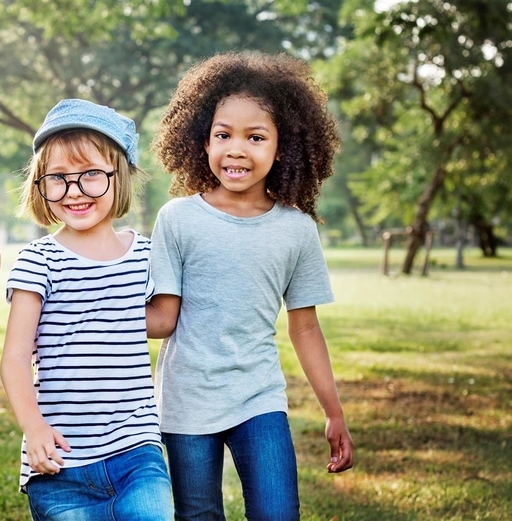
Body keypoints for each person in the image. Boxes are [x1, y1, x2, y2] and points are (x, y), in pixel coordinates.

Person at [149, 51, 355, 520]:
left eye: (255, 137)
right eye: (223, 135)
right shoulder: (178, 219)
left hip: (258, 396)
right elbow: (163, 318)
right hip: (186, 401)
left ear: (283, 147)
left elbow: (304, 328)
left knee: (278, 512)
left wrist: (334, 412)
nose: (236, 149)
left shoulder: (296, 229)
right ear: (202, 142)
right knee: (198, 515)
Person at [1, 98, 178, 521]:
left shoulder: (147, 256)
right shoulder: (38, 260)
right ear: (40, 185)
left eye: (92, 176)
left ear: (120, 176)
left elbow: (160, 322)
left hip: (136, 449)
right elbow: (13, 359)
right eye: (58, 178)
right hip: (60, 460)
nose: (75, 191)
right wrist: (34, 428)